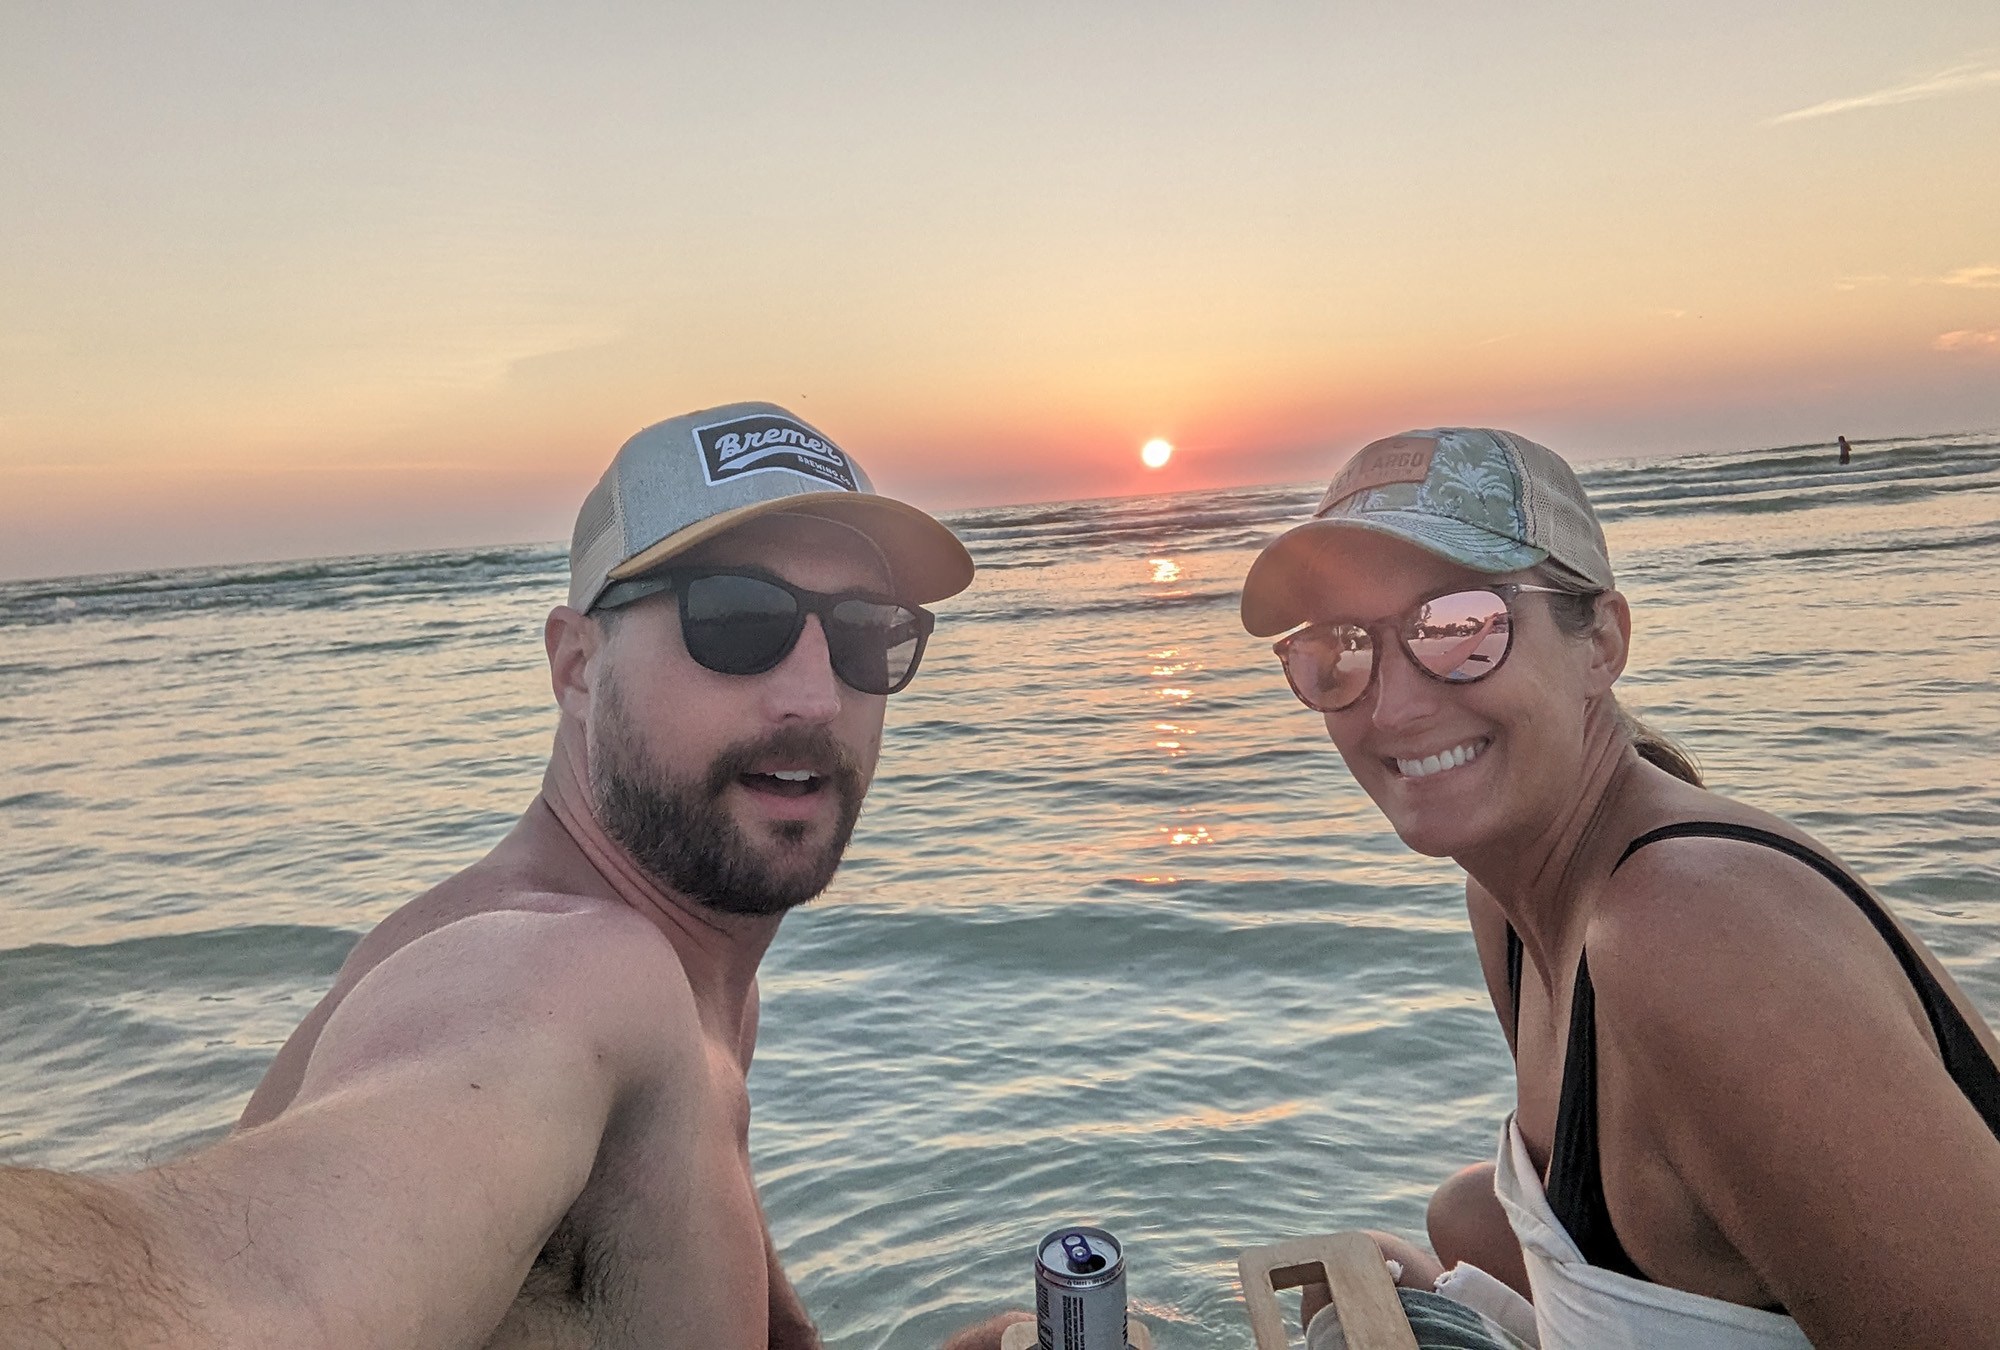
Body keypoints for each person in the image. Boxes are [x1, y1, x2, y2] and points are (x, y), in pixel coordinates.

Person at [0, 401, 989, 1349]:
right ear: (575, 668)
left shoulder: (703, 980)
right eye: (734, 619)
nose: (815, 694)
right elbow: (247, 1297)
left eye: (864, 632)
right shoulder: (564, 976)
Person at [1238, 428, 2000, 1349]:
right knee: (1409, 1249)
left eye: (1462, 625)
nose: (1391, 705)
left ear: (1601, 641)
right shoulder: (1514, 905)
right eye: (1339, 647)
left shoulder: (1694, 930)